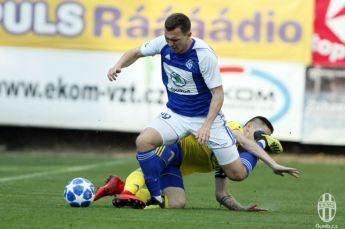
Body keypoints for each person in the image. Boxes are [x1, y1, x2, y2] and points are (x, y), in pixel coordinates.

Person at [107, 13, 297, 206]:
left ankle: (262, 142)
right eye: (167, 39)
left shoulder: (204, 55)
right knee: (143, 141)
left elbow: (218, 94)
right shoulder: (163, 43)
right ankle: (155, 197)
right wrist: (118, 65)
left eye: (175, 40)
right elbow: (136, 52)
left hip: (206, 119)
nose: (171, 43)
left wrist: (206, 126)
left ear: (189, 34)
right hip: (175, 114)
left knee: (237, 174)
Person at [95, 116, 299, 210]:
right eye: (261, 135)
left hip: (175, 167)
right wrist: (271, 161)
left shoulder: (229, 158)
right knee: (152, 169)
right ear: (249, 127)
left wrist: (242, 209)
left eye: (265, 139)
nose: (259, 141)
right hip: (173, 146)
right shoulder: (232, 126)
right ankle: (128, 192)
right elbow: (245, 140)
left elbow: (222, 194)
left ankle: (119, 187)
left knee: (177, 204)